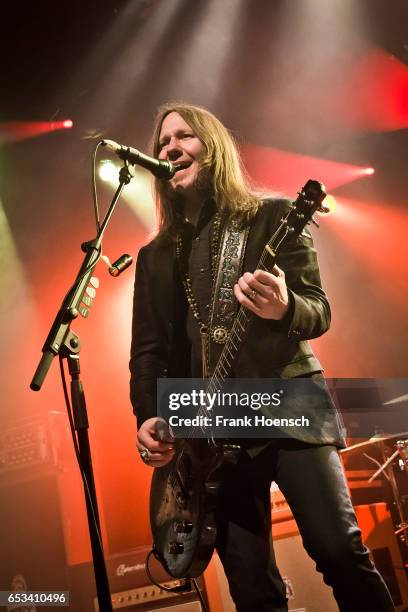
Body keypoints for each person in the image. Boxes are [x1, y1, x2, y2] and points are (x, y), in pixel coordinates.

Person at [129, 102, 395, 611]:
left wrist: (284, 307)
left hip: (288, 404)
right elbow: (148, 350)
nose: (168, 149)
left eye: (184, 137)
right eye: (162, 143)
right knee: (252, 590)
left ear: (214, 147)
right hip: (208, 432)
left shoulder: (272, 217)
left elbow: (318, 310)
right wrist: (148, 415)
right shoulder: (155, 256)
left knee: (338, 549)